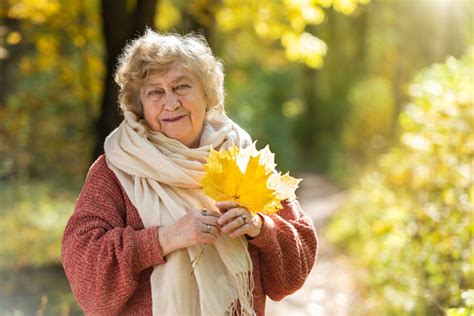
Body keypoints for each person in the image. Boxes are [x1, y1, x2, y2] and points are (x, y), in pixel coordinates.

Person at [61, 29, 318, 316]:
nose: (171, 103)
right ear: (140, 107)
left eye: (182, 86)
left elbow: (297, 264)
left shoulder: (244, 158)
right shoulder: (116, 169)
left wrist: (261, 228)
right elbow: (84, 266)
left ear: (207, 94)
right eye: (155, 92)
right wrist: (165, 238)